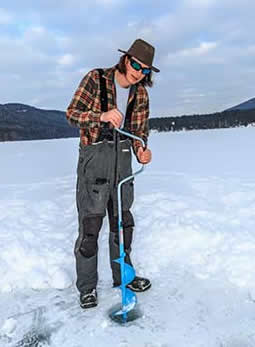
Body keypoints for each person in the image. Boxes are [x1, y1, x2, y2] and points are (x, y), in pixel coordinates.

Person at [66, 38, 160, 309]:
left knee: (123, 225)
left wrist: (142, 149)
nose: (138, 72)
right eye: (136, 65)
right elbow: (71, 114)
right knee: (90, 228)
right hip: (94, 161)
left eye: (145, 70)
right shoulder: (96, 79)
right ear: (125, 59)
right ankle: (87, 288)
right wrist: (101, 116)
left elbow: (139, 134)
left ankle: (124, 277)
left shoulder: (140, 94)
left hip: (123, 163)